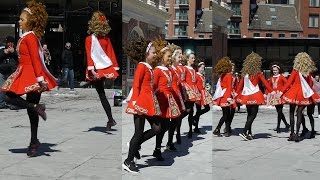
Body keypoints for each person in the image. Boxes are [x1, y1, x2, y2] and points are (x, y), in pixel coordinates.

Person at [1, 0, 57, 157]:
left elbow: (35, 59)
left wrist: (40, 79)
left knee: (9, 98)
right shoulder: (26, 36)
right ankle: (34, 111)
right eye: (20, 19)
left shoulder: (31, 37)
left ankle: (33, 141)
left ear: (31, 22)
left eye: (22, 19)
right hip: (24, 72)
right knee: (17, 101)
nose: (19, 21)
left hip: (31, 74)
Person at [123, 37, 161, 173]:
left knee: (157, 128)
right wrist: (134, 104)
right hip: (140, 104)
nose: (155, 54)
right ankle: (128, 161)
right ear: (146, 54)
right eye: (153, 52)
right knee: (138, 133)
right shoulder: (141, 66)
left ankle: (135, 145)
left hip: (149, 103)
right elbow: (136, 86)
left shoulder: (150, 68)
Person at [85, 11, 119, 131]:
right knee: (102, 93)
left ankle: (111, 119)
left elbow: (89, 55)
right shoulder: (106, 39)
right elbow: (111, 53)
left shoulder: (89, 39)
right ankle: (110, 119)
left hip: (96, 69)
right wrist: (114, 69)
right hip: (106, 68)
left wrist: (91, 69)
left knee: (101, 94)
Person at [280, 52, 320, 142]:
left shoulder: (295, 70)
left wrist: (281, 92)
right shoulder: (308, 72)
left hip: (294, 92)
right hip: (303, 94)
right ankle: (298, 134)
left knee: (291, 113)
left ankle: (292, 134)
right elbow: (310, 84)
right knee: (299, 113)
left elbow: (289, 82)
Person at [235, 52, 274, 141]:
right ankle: (244, 131)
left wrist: (236, 93)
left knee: (249, 115)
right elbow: (265, 83)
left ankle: (249, 133)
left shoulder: (245, 73)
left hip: (246, 95)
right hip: (255, 95)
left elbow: (240, 84)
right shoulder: (258, 73)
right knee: (253, 115)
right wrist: (272, 92)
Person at [153, 38, 181, 160]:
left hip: (169, 101)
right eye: (168, 56)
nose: (170, 58)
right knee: (161, 127)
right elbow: (153, 86)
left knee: (166, 126)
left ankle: (161, 147)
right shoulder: (158, 70)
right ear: (161, 57)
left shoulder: (170, 71)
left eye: (170, 56)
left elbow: (174, 86)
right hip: (161, 101)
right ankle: (157, 149)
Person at [213, 57, 234, 137]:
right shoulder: (229, 75)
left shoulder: (222, 75)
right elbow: (229, 87)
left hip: (222, 96)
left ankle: (227, 131)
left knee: (226, 114)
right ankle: (218, 128)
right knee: (226, 115)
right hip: (226, 96)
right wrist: (229, 98)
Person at [266, 63, 290, 133]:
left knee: (279, 111)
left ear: (279, 70)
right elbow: (268, 87)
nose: (275, 71)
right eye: (273, 70)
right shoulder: (271, 78)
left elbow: (287, 84)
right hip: (274, 96)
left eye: (276, 70)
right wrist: (266, 94)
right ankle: (286, 124)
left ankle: (278, 126)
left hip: (280, 95)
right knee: (279, 111)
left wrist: (284, 92)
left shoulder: (282, 77)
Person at [0, 36, 18, 109]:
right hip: (2, 72)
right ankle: (1, 103)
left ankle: (13, 103)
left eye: (11, 43)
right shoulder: (2, 49)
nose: (9, 44)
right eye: (8, 43)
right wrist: (5, 53)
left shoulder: (17, 50)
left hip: (12, 73)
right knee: (2, 88)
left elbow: (20, 58)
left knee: (12, 89)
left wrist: (13, 52)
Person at [193, 61, 212, 133]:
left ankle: (194, 118)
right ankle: (196, 127)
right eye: (201, 68)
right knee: (198, 110)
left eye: (203, 68)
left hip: (203, 93)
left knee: (207, 108)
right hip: (199, 94)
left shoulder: (202, 75)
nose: (202, 69)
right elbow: (194, 85)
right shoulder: (196, 75)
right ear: (198, 68)